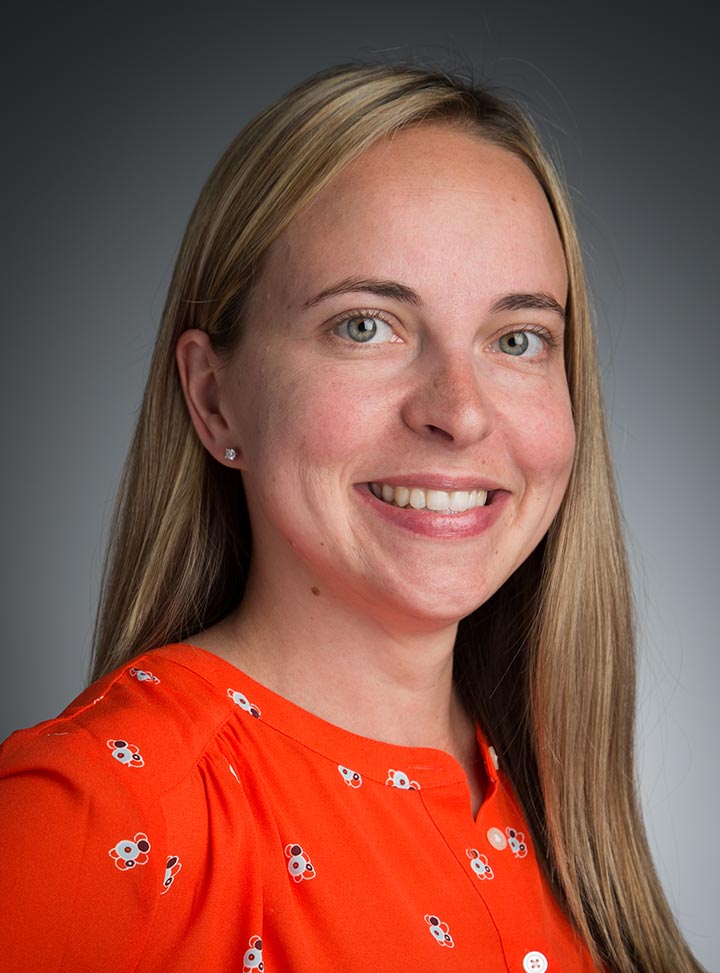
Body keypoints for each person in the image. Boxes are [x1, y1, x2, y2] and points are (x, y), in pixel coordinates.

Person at [0, 62, 703, 973]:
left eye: (518, 338)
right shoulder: (94, 815)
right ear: (214, 401)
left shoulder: (562, 813)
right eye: (366, 325)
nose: (460, 410)